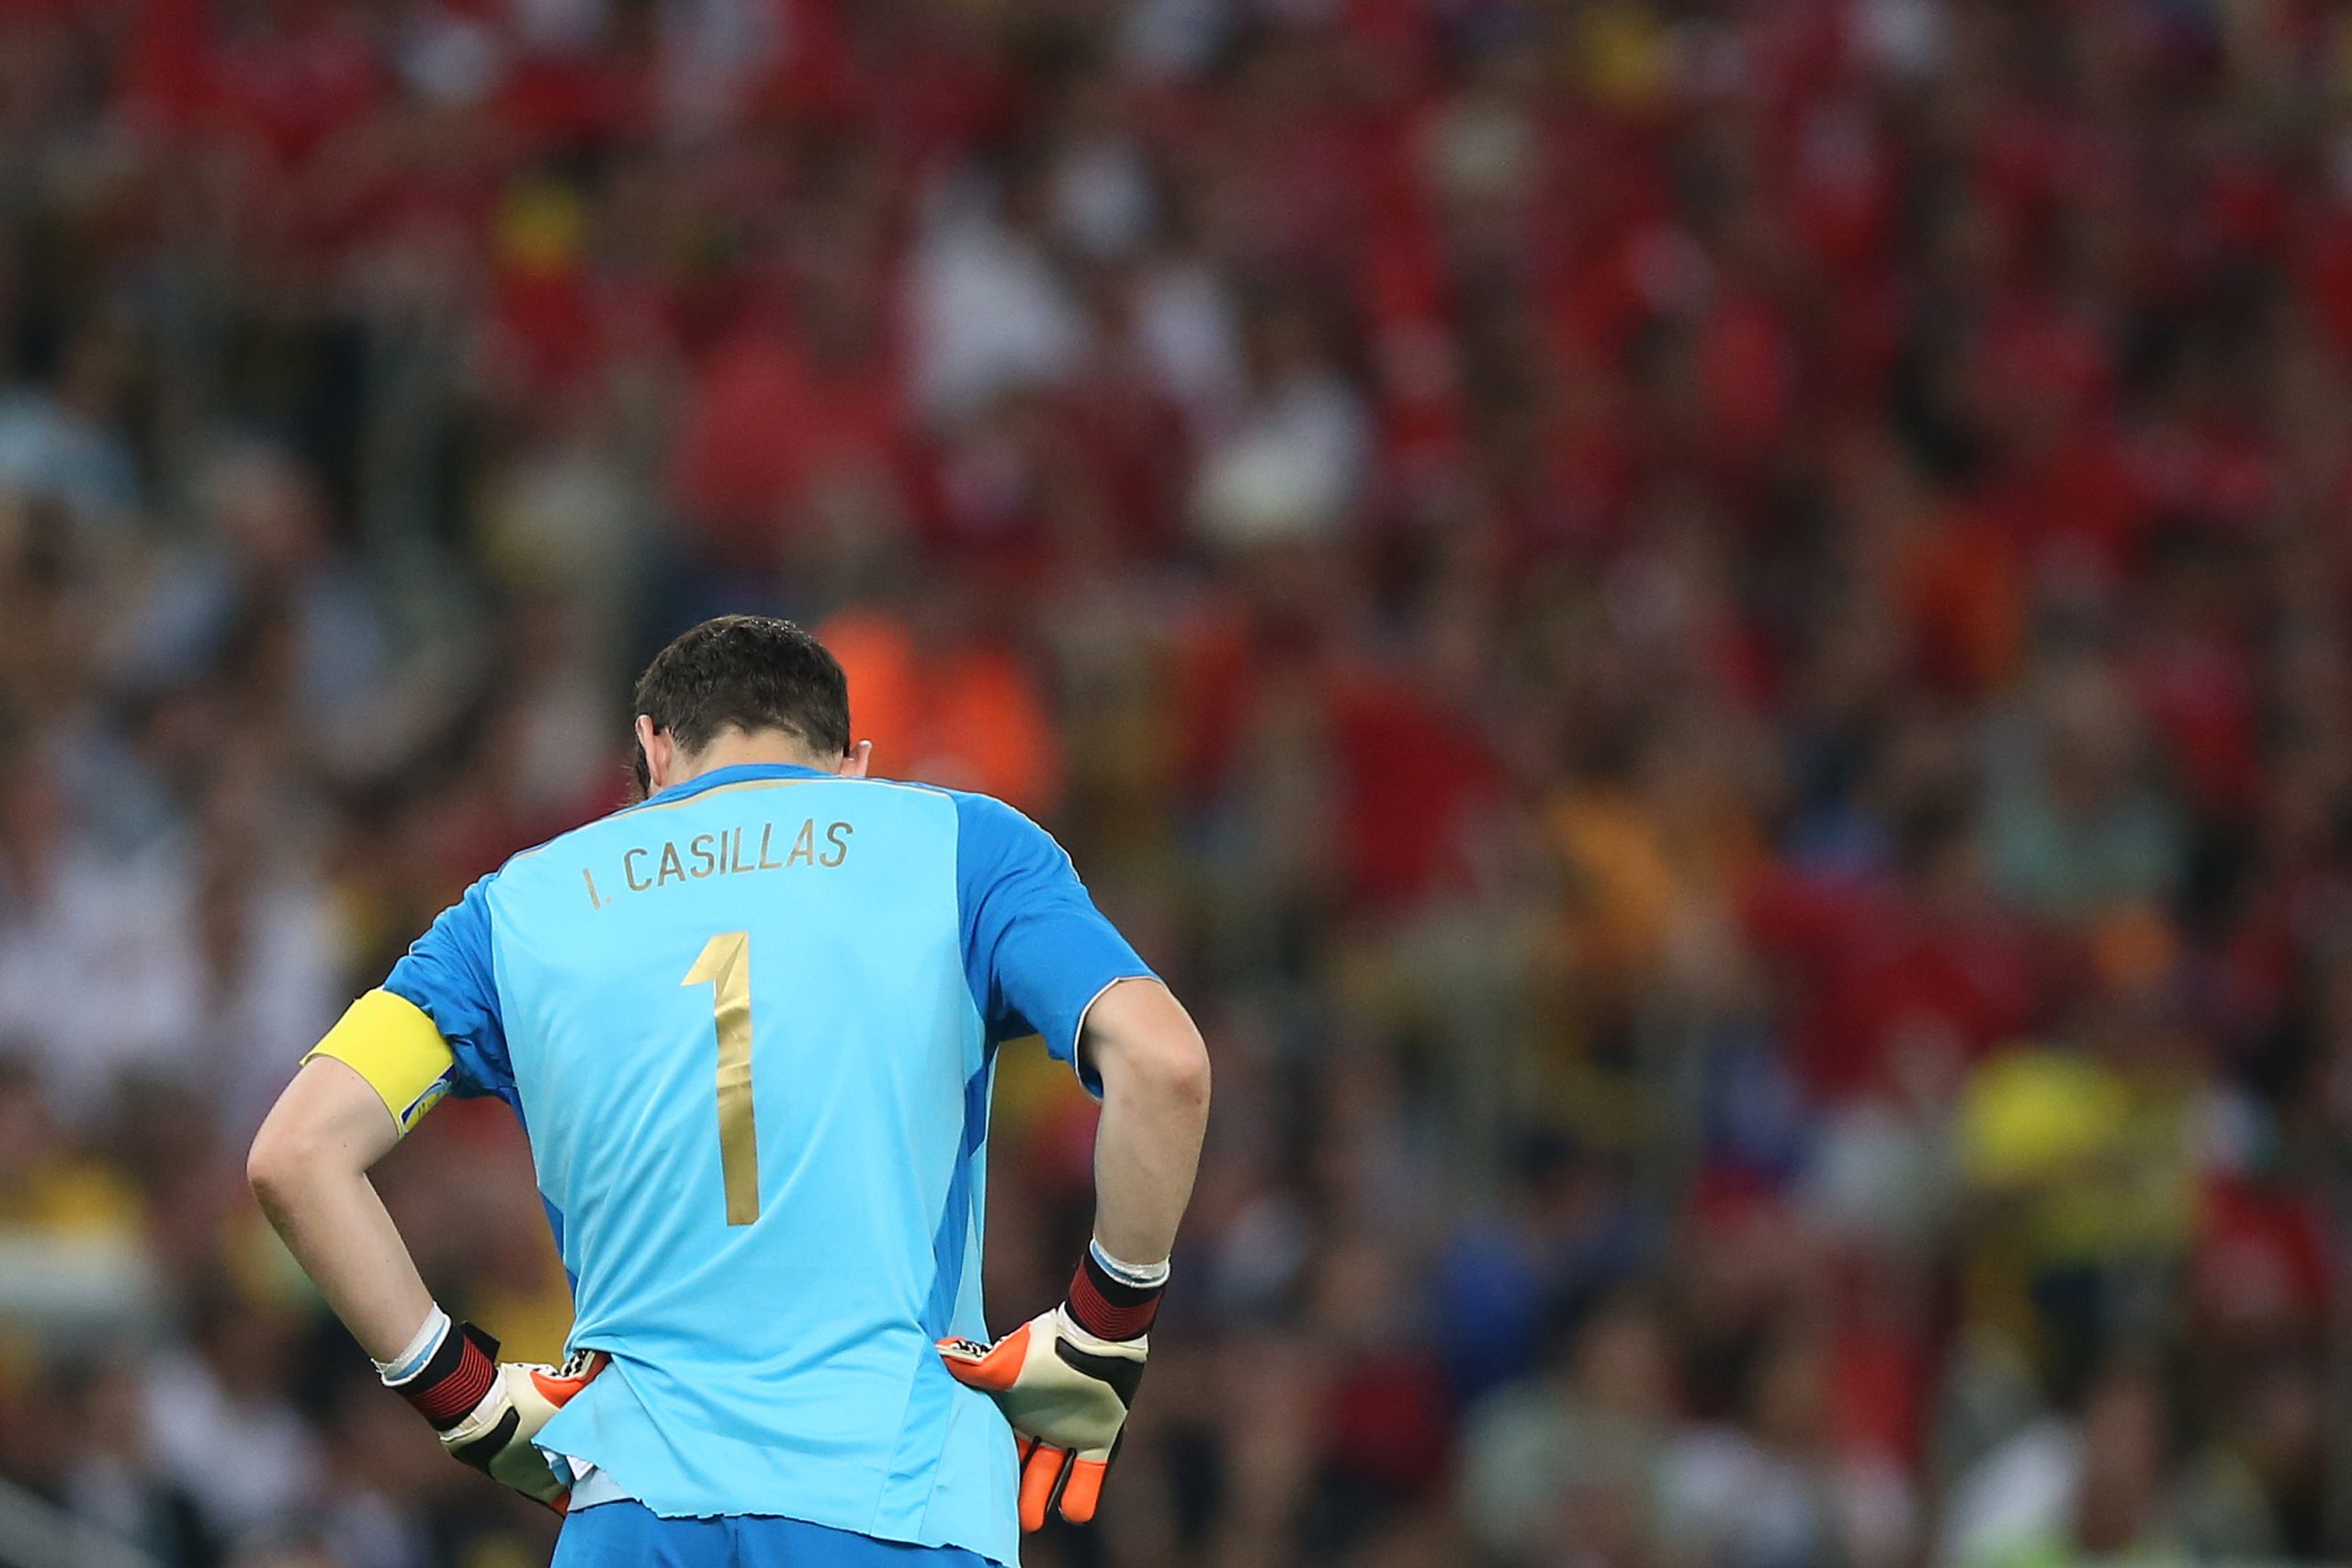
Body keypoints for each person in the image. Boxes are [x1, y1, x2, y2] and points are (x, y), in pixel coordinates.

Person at [247, 615, 1212, 1568]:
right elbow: (1164, 1064)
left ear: (652, 750)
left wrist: (461, 1394)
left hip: (632, 1512)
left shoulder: (510, 912)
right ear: (852, 766)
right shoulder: (961, 846)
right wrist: (1103, 1329)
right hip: (898, 1496)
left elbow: (297, 1156)